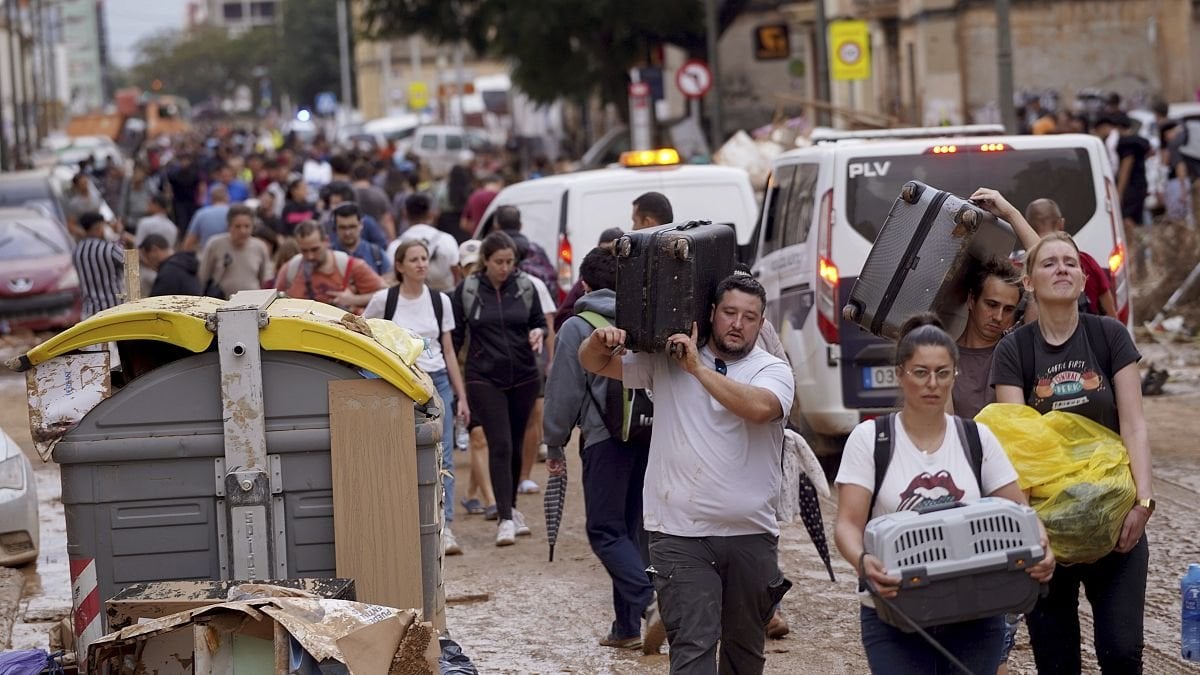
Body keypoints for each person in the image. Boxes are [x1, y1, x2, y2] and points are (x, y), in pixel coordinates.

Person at [579, 273, 794, 671]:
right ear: (712, 313)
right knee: (692, 646)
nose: (737, 324)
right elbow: (595, 363)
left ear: (761, 324)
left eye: (749, 317)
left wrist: (697, 369)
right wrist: (597, 341)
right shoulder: (667, 359)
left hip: (750, 533)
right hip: (679, 533)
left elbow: (759, 408)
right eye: (729, 312)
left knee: (745, 652)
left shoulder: (773, 370)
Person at [833, 314, 1054, 675]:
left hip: (977, 614)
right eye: (920, 372)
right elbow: (847, 524)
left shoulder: (977, 439)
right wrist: (863, 562)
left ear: (955, 374)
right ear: (900, 373)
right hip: (894, 615)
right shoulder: (871, 439)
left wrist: (1043, 547)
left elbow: (1021, 512)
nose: (931, 383)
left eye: (942, 372)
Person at [990, 231, 1152, 674]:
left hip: (1118, 526)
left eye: (1070, 262)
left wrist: (1143, 503)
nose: (1061, 268)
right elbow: (1015, 444)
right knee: (1056, 661)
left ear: (1083, 280)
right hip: (1048, 534)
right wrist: (1029, 531)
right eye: (1049, 263)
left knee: (1122, 653)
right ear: (1028, 282)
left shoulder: (1109, 336)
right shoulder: (1014, 350)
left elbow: (1135, 424)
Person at [545, 247, 654, 650]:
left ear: (585, 286)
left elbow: (563, 394)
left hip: (604, 438)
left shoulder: (578, 326)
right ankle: (626, 627)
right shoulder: (641, 318)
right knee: (631, 531)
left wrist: (554, 443)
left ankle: (649, 602)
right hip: (647, 435)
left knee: (604, 531)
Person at [363, 240, 469, 556]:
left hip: (437, 382)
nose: (421, 264)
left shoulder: (440, 301)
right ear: (400, 265)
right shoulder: (385, 299)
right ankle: (405, 524)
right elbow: (365, 333)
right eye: (414, 259)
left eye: (424, 258)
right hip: (398, 382)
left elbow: (449, 350)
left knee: (445, 455)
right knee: (399, 452)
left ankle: (445, 526)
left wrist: (461, 396)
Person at [450, 231, 547, 547]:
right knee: (500, 443)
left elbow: (539, 322)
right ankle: (505, 518)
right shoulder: (467, 290)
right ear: (485, 261)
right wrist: (458, 387)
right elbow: (454, 338)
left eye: (510, 262)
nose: (505, 268)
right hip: (484, 378)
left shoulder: (525, 286)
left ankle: (513, 510)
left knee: (517, 445)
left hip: (524, 376)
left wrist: (537, 333)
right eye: (499, 262)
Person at [454, 240, 498, 521]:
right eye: (468, 266)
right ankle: (492, 501)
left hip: (491, 375)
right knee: (479, 438)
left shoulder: (495, 296)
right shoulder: (455, 299)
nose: (473, 271)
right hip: (466, 376)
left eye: (476, 266)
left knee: (485, 439)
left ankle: (471, 494)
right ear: (460, 268)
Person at [949, 259, 1022, 419]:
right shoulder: (944, 359)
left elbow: (1041, 258)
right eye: (991, 304)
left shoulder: (1018, 352)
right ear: (971, 300)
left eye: (1008, 309)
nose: (999, 317)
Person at [275, 220, 385, 311]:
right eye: (304, 251)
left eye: (315, 249)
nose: (310, 256)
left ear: (326, 241)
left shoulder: (350, 266)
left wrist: (354, 299)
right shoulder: (290, 269)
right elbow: (273, 303)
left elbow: (385, 294)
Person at [555, 227, 625, 330]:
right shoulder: (588, 279)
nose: (610, 258)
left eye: (615, 252)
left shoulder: (632, 281)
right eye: (606, 252)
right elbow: (561, 321)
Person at [199, 204, 276, 298]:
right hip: (221, 301)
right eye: (237, 226)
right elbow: (203, 276)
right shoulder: (215, 244)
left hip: (252, 303)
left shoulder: (259, 247)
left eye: (247, 226)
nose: (242, 231)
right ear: (229, 226)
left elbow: (265, 279)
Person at [392, 193, 462, 292]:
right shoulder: (447, 239)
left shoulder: (396, 245)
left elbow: (392, 277)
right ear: (430, 214)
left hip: (409, 300)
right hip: (446, 294)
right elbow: (457, 274)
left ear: (405, 214)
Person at [73, 212, 125, 318]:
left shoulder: (76, 251)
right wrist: (119, 235)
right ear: (99, 228)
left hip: (89, 312)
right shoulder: (109, 248)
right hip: (113, 309)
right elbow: (130, 263)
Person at [330, 202, 388, 275]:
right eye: (342, 227)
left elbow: (389, 280)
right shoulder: (329, 256)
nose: (347, 233)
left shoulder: (376, 255)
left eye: (352, 226)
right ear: (335, 228)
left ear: (361, 225)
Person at [352, 163, 396, 240]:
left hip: (352, 236)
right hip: (376, 237)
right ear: (369, 176)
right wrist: (392, 240)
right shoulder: (379, 193)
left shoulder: (348, 193)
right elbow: (387, 220)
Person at [181, 184, 231, 252]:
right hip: (230, 256)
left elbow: (189, 242)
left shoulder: (201, 214)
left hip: (207, 255)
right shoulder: (234, 213)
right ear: (227, 197)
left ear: (211, 199)